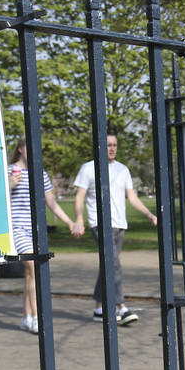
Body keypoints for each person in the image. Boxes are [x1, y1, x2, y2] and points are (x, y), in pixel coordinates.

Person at [72, 133, 158, 325]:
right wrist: (79, 219)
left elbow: (132, 197)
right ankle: (122, 307)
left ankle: (98, 308)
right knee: (114, 264)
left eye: (115, 145)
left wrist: (149, 214)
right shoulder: (88, 168)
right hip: (100, 223)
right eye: (108, 144)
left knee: (108, 265)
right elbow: (79, 196)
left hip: (120, 224)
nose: (112, 148)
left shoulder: (123, 170)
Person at [9, 137, 76, 334]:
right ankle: (37, 317)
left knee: (31, 273)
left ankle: (26, 317)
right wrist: (11, 184)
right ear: (21, 149)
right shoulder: (9, 171)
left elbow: (52, 203)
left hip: (36, 230)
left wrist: (70, 222)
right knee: (34, 266)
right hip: (17, 228)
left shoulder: (41, 174)